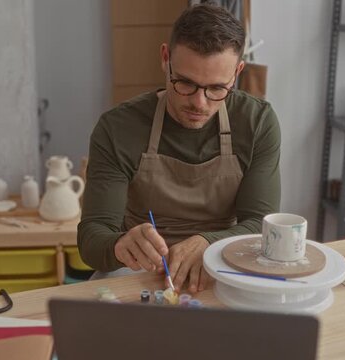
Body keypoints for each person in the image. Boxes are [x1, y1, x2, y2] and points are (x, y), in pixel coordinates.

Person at [77, 3, 280, 293]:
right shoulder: (118, 127)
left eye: (216, 89)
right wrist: (120, 244)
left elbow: (261, 224)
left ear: (237, 72)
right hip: (139, 270)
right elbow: (91, 238)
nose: (199, 103)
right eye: (185, 83)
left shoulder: (257, 121)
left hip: (223, 262)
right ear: (165, 58)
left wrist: (208, 243)